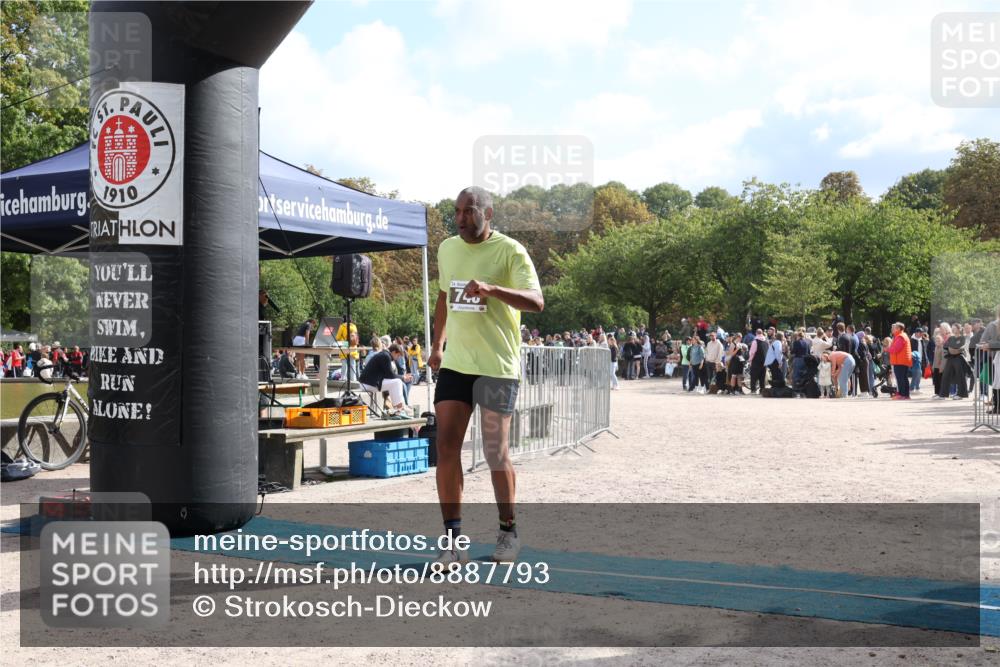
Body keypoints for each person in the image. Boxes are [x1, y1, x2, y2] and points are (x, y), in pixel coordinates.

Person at [429, 186, 543, 567]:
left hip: (497, 366)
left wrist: (493, 290)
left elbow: (537, 301)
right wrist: (437, 345)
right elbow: (444, 296)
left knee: (495, 453)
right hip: (457, 363)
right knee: (445, 447)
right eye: (457, 211)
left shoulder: (510, 251)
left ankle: (508, 532)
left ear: (488, 213)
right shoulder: (446, 248)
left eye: (469, 211)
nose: (461, 218)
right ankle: (452, 540)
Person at [359, 343, 413, 415]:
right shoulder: (386, 356)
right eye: (398, 355)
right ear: (394, 352)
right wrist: (403, 377)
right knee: (397, 382)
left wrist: (402, 377)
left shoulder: (384, 355)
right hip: (368, 384)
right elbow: (390, 375)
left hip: (369, 382)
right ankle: (399, 408)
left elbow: (388, 375)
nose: (398, 358)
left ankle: (399, 407)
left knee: (396, 382)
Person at [935, 323, 969, 400]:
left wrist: (954, 349)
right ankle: (943, 394)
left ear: (959, 329)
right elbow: (946, 346)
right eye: (952, 328)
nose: (953, 329)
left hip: (959, 358)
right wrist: (952, 349)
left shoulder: (962, 338)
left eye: (954, 328)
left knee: (960, 376)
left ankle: (961, 394)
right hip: (950, 358)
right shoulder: (951, 338)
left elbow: (960, 348)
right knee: (945, 375)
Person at [887, 322, 913, 400]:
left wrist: (887, 349)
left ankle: (902, 394)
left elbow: (895, 349)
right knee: (903, 378)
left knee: (900, 378)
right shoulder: (901, 336)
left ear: (898, 329)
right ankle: (905, 395)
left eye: (894, 328)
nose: (892, 329)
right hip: (902, 360)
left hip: (900, 361)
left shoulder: (900, 337)